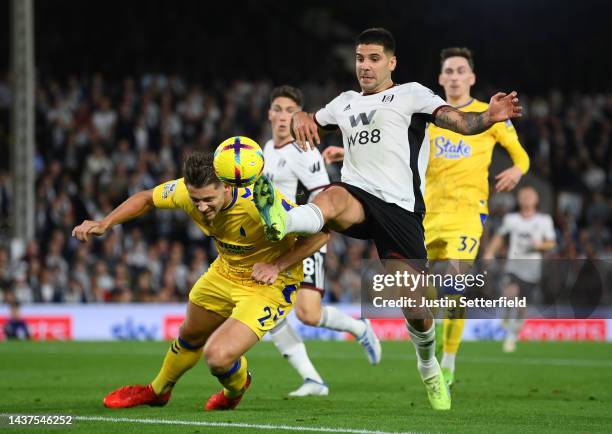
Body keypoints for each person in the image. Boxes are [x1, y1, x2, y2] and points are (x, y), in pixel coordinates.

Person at [253, 28, 522, 411]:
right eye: (360, 58)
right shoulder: (343, 103)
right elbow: (312, 118)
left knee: (416, 308)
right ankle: (282, 220)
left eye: (374, 58)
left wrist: (489, 117)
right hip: (357, 198)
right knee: (330, 196)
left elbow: (458, 121)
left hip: (400, 210)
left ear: (391, 62)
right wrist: (300, 116)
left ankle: (429, 369)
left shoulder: (411, 94)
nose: (365, 65)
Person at [72, 151, 328, 410]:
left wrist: (277, 265)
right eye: (196, 201)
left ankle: (234, 391)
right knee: (190, 335)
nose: (202, 207)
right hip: (225, 271)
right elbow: (146, 198)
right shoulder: (184, 192)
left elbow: (322, 234)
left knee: (217, 357)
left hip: (269, 284)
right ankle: (157, 391)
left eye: (208, 199)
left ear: (227, 187)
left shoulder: (258, 204)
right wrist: (106, 223)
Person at [264, 85, 381, 397]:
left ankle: (360, 328)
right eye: (278, 108)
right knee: (268, 309)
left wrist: (308, 236)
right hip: (275, 243)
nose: (283, 116)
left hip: (304, 240)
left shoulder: (304, 151)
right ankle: (313, 380)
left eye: (290, 110)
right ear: (269, 113)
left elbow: (323, 198)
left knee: (308, 314)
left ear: (296, 117)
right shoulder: (264, 150)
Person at [484, 186, 556, 352]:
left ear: (536, 199)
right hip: (513, 265)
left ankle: (512, 336)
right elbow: (500, 237)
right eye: (523, 195)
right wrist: (489, 251)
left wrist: (541, 245)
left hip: (532, 269)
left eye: (530, 195)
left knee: (522, 306)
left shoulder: (544, 220)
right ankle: (507, 314)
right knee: (510, 292)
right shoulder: (512, 219)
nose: (526, 197)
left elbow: (552, 243)